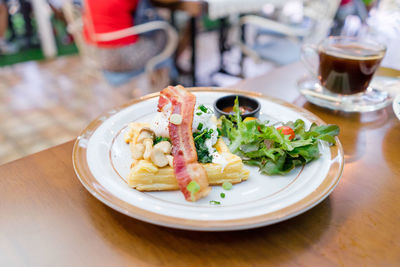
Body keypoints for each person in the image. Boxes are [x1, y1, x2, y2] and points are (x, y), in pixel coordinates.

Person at [83, 0, 168, 73]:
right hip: (124, 57)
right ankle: (170, 74)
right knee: (165, 31)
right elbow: (145, 13)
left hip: (97, 54)